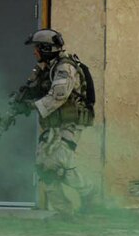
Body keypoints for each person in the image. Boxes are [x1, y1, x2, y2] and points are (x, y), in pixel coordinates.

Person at [12, 29, 96, 220]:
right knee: (44, 168)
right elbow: (32, 90)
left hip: (70, 123)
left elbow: (58, 97)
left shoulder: (65, 68)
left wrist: (31, 107)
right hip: (54, 124)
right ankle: (64, 213)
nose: (34, 52)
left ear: (46, 49)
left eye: (37, 48)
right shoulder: (45, 68)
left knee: (59, 165)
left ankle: (90, 193)